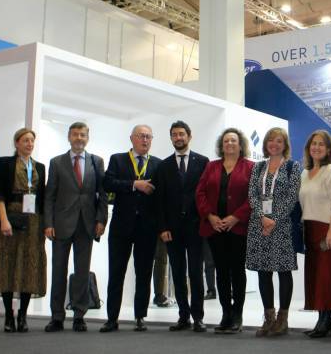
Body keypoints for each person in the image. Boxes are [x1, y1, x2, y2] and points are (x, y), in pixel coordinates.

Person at [43, 122, 107, 333]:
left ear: (87, 138)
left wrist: (101, 220)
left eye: (83, 135)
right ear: (69, 137)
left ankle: (79, 315)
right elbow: (49, 196)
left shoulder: (97, 162)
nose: (79, 138)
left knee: (81, 273)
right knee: (58, 271)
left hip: (86, 225)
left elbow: (102, 195)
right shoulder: (57, 162)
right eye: (75, 134)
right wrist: (48, 223)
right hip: (61, 225)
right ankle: (57, 317)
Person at [101, 125, 162, 332]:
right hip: (121, 227)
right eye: (141, 136)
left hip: (147, 228)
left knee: (144, 273)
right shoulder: (117, 159)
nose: (145, 140)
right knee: (116, 272)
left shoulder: (158, 164)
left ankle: (140, 317)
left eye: (148, 137)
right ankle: (112, 318)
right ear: (132, 138)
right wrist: (134, 184)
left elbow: (162, 195)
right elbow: (108, 183)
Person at [196, 128, 254, 334]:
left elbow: (253, 197)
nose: (230, 143)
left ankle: (237, 314)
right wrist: (210, 216)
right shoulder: (211, 166)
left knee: (237, 271)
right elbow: (200, 193)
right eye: (226, 141)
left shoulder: (250, 167)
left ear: (240, 145)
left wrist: (235, 217)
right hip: (215, 228)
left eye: (234, 141)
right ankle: (225, 314)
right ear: (222, 145)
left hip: (238, 228)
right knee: (221, 272)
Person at [154, 120, 210, 332]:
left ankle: (198, 317)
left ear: (189, 136)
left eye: (181, 134)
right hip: (172, 230)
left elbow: (206, 195)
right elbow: (159, 200)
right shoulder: (164, 166)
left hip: (197, 227)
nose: (178, 138)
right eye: (174, 135)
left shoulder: (203, 162)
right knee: (177, 273)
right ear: (171, 138)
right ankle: (183, 316)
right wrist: (162, 228)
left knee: (196, 272)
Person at [0, 127, 48, 333]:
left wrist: (46, 225)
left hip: (34, 222)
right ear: (16, 143)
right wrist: (3, 220)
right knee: (8, 264)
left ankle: (23, 315)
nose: (29, 144)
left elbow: (43, 199)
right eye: (25, 140)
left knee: (29, 267)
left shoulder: (40, 167)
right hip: (11, 217)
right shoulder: (6, 163)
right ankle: (8, 315)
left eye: (32, 141)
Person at [246, 127, 302, 337]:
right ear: (266, 144)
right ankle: (268, 318)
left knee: (283, 271)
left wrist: (274, 219)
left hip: (282, 227)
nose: (274, 144)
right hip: (259, 225)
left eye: (279, 141)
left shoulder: (292, 167)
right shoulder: (258, 167)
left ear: (284, 144)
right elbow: (252, 194)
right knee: (263, 272)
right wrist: (263, 217)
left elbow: (292, 197)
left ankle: (282, 319)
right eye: (271, 140)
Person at [299, 129, 331, 339]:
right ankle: (321, 318)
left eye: (321, 144)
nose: (316, 147)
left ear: (328, 149)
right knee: (315, 276)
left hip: (327, 230)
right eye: (313, 144)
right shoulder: (304, 173)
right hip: (309, 230)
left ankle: (325, 320)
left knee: (327, 277)